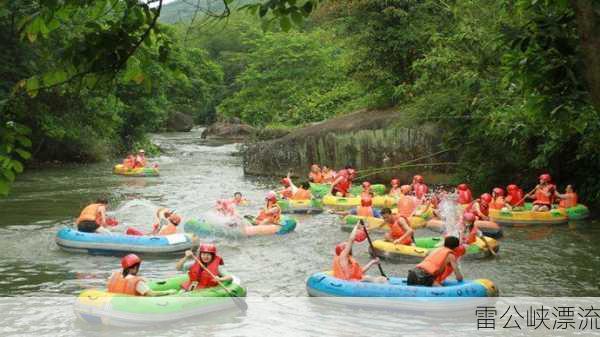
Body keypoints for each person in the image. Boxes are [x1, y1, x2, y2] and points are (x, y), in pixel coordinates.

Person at [107, 254, 175, 296]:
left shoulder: (113, 276)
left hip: (115, 305)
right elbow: (151, 294)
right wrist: (168, 292)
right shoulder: (138, 283)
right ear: (135, 268)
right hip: (130, 307)